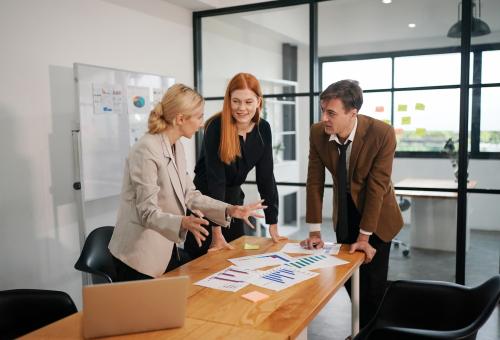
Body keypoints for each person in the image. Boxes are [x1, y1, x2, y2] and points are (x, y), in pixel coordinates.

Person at [108, 84, 265, 282]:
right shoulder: (146, 150)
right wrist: (183, 221)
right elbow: (147, 212)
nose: (201, 124)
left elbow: (190, 194)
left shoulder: (177, 146)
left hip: (165, 248)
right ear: (180, 119)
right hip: (137, 256)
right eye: (199, 117)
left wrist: (230, 209)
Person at [300, 79, 403, 328]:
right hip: (345, 210)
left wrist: (365, 236)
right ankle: (363, 329)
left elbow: (377, 187)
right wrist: (314, 230)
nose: (324, 117)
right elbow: (314, 181)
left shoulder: (382, 133)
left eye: (331, 112)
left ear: (352, 113)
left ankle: (368, 332)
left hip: (377, 215)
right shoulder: (318, 133)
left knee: (373, 286)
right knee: (348, 275)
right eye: (323, 110)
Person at [184, 72, 286, 259]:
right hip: (205, 202)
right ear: (228, 101)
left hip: (233, 201)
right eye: (236, 101)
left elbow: (266, 177)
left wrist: (272, 221)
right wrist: (217, 232)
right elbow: (216, 180)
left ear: (258, 102)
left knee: (235, 260)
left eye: (248, 102)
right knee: (202, 262)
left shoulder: (263, 128)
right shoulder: (216, 126)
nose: (242, 108)